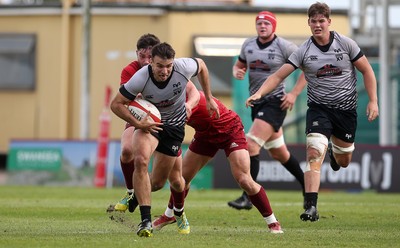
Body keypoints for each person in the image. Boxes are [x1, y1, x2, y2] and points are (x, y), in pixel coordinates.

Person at [245, 2, 379, 222]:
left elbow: (367, 70)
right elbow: (278, 76)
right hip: (319, 110)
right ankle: (311, 206)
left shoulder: (346, 44)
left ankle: (335, 157)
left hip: (346, 111)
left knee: (344, 161)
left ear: (329, 22)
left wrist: (373, 101)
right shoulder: (304, 50)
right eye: (313, 21)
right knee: (314, 154)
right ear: (308, 23)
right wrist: (259, 93)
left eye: (321, 21)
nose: (317, 25)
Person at [110, 42, 219, 237]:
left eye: (169, 66)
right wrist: (138, 123)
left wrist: (209, 98)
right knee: (141, 160)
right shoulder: (140, 78)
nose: (165, 70)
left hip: (174, 128)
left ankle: (170, 208)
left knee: (162, 183)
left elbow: (201, 64)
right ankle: (145, 221)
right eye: (160, 66)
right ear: (151, 62)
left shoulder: (183, 67)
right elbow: (116, 104)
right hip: (149, 125)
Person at [151, 90, 284, 234]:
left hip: (230, 130)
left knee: (244, 179)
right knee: (181, 179)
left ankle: (273, 223)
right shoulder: (164, 96)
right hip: (204, 135)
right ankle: (169, 215)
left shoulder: (183, 98)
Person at [228, 10, 307, 210]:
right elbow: (239, 65)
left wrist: (294, 94)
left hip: (275, 102)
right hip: (257, 104)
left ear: (274, 26)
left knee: (251, 145)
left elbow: (308, 68)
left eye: (266, 23)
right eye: (259, 23)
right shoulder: (249, 45)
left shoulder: (285, 46)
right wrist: (237, 71)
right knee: (280, 153)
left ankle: (248, 197)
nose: (262, 26)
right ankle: (308, 186)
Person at [110, 33, 160, 213]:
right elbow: (128, 101)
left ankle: (176, 212)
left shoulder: (165, 69)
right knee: (126, 152)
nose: (146, 61)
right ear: (136, 53)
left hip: (163, 122)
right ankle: (131, 192)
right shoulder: (129, 71)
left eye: (150, 56)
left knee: (174, 179)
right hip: (137, 119)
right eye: (142, 56)